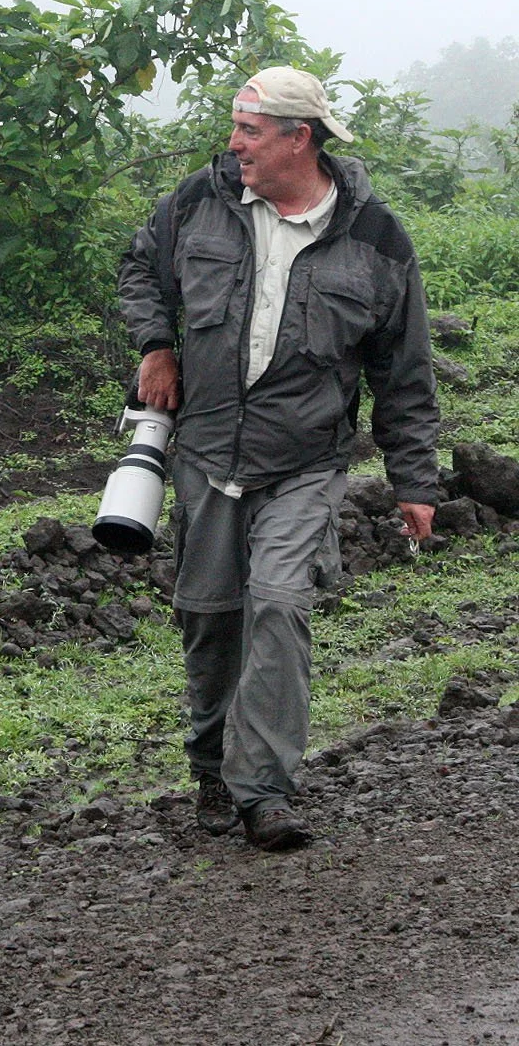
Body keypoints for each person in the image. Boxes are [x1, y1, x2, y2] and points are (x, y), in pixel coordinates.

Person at [118, 66, 438, 851]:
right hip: (207, 448)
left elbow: (404, 368)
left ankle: (264, 791)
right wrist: (157, 345)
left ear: (300, 137)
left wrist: (414, 481)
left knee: (280, 602)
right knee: (210, 615)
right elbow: (139, 270)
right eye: (235, 131)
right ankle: (209, 768)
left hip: (305, 460)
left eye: (249, 132)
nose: (234, 145)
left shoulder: (375, 239)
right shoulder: (203, 200)